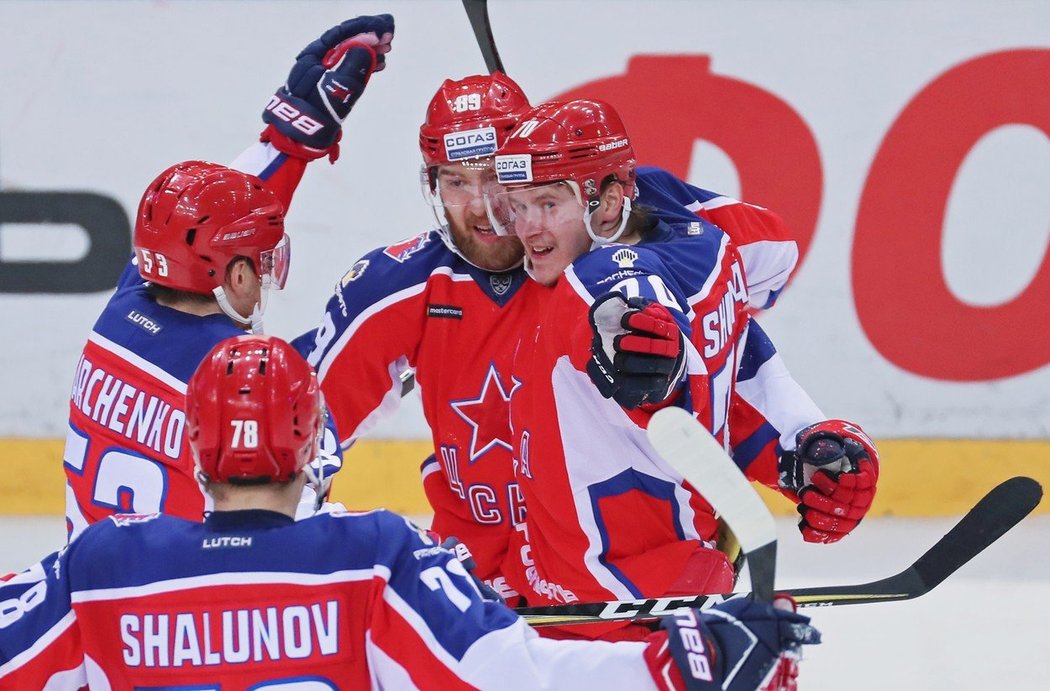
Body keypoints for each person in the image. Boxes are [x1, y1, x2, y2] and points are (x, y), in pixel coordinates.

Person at [0, 334, 820, 690]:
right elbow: (519, 677)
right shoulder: (373, 554)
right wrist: (684, 658)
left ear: (193, 444)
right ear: (310, 435)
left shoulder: (101, 569)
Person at [295, 71, 803, 604]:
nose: (483, 207)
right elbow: (300, 426)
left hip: (621, 579)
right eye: (456, 182)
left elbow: (753, 292)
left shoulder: (623, 244)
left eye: (495, 178)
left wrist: (799, 448)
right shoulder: (400, 287)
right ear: (432, 184)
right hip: (478, 590)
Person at [481, 98, 879, 639]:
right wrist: (801, 447)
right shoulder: (709, 245)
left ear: (609, 203)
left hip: (609, 610)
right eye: (517, 205)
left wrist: (637, 341)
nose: (527, 228)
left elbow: (622, 298)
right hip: (676, 572)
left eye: (548, 203)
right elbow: (766, 276)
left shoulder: (594, 276)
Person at [61, 15, 395, 539]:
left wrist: (293, 133)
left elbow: (201, 222)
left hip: (97, 595)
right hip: (184, 609)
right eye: (262, 262)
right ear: (237, 275)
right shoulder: (233, 381)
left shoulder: (121, 310)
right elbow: (294, 529)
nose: (265, 276)